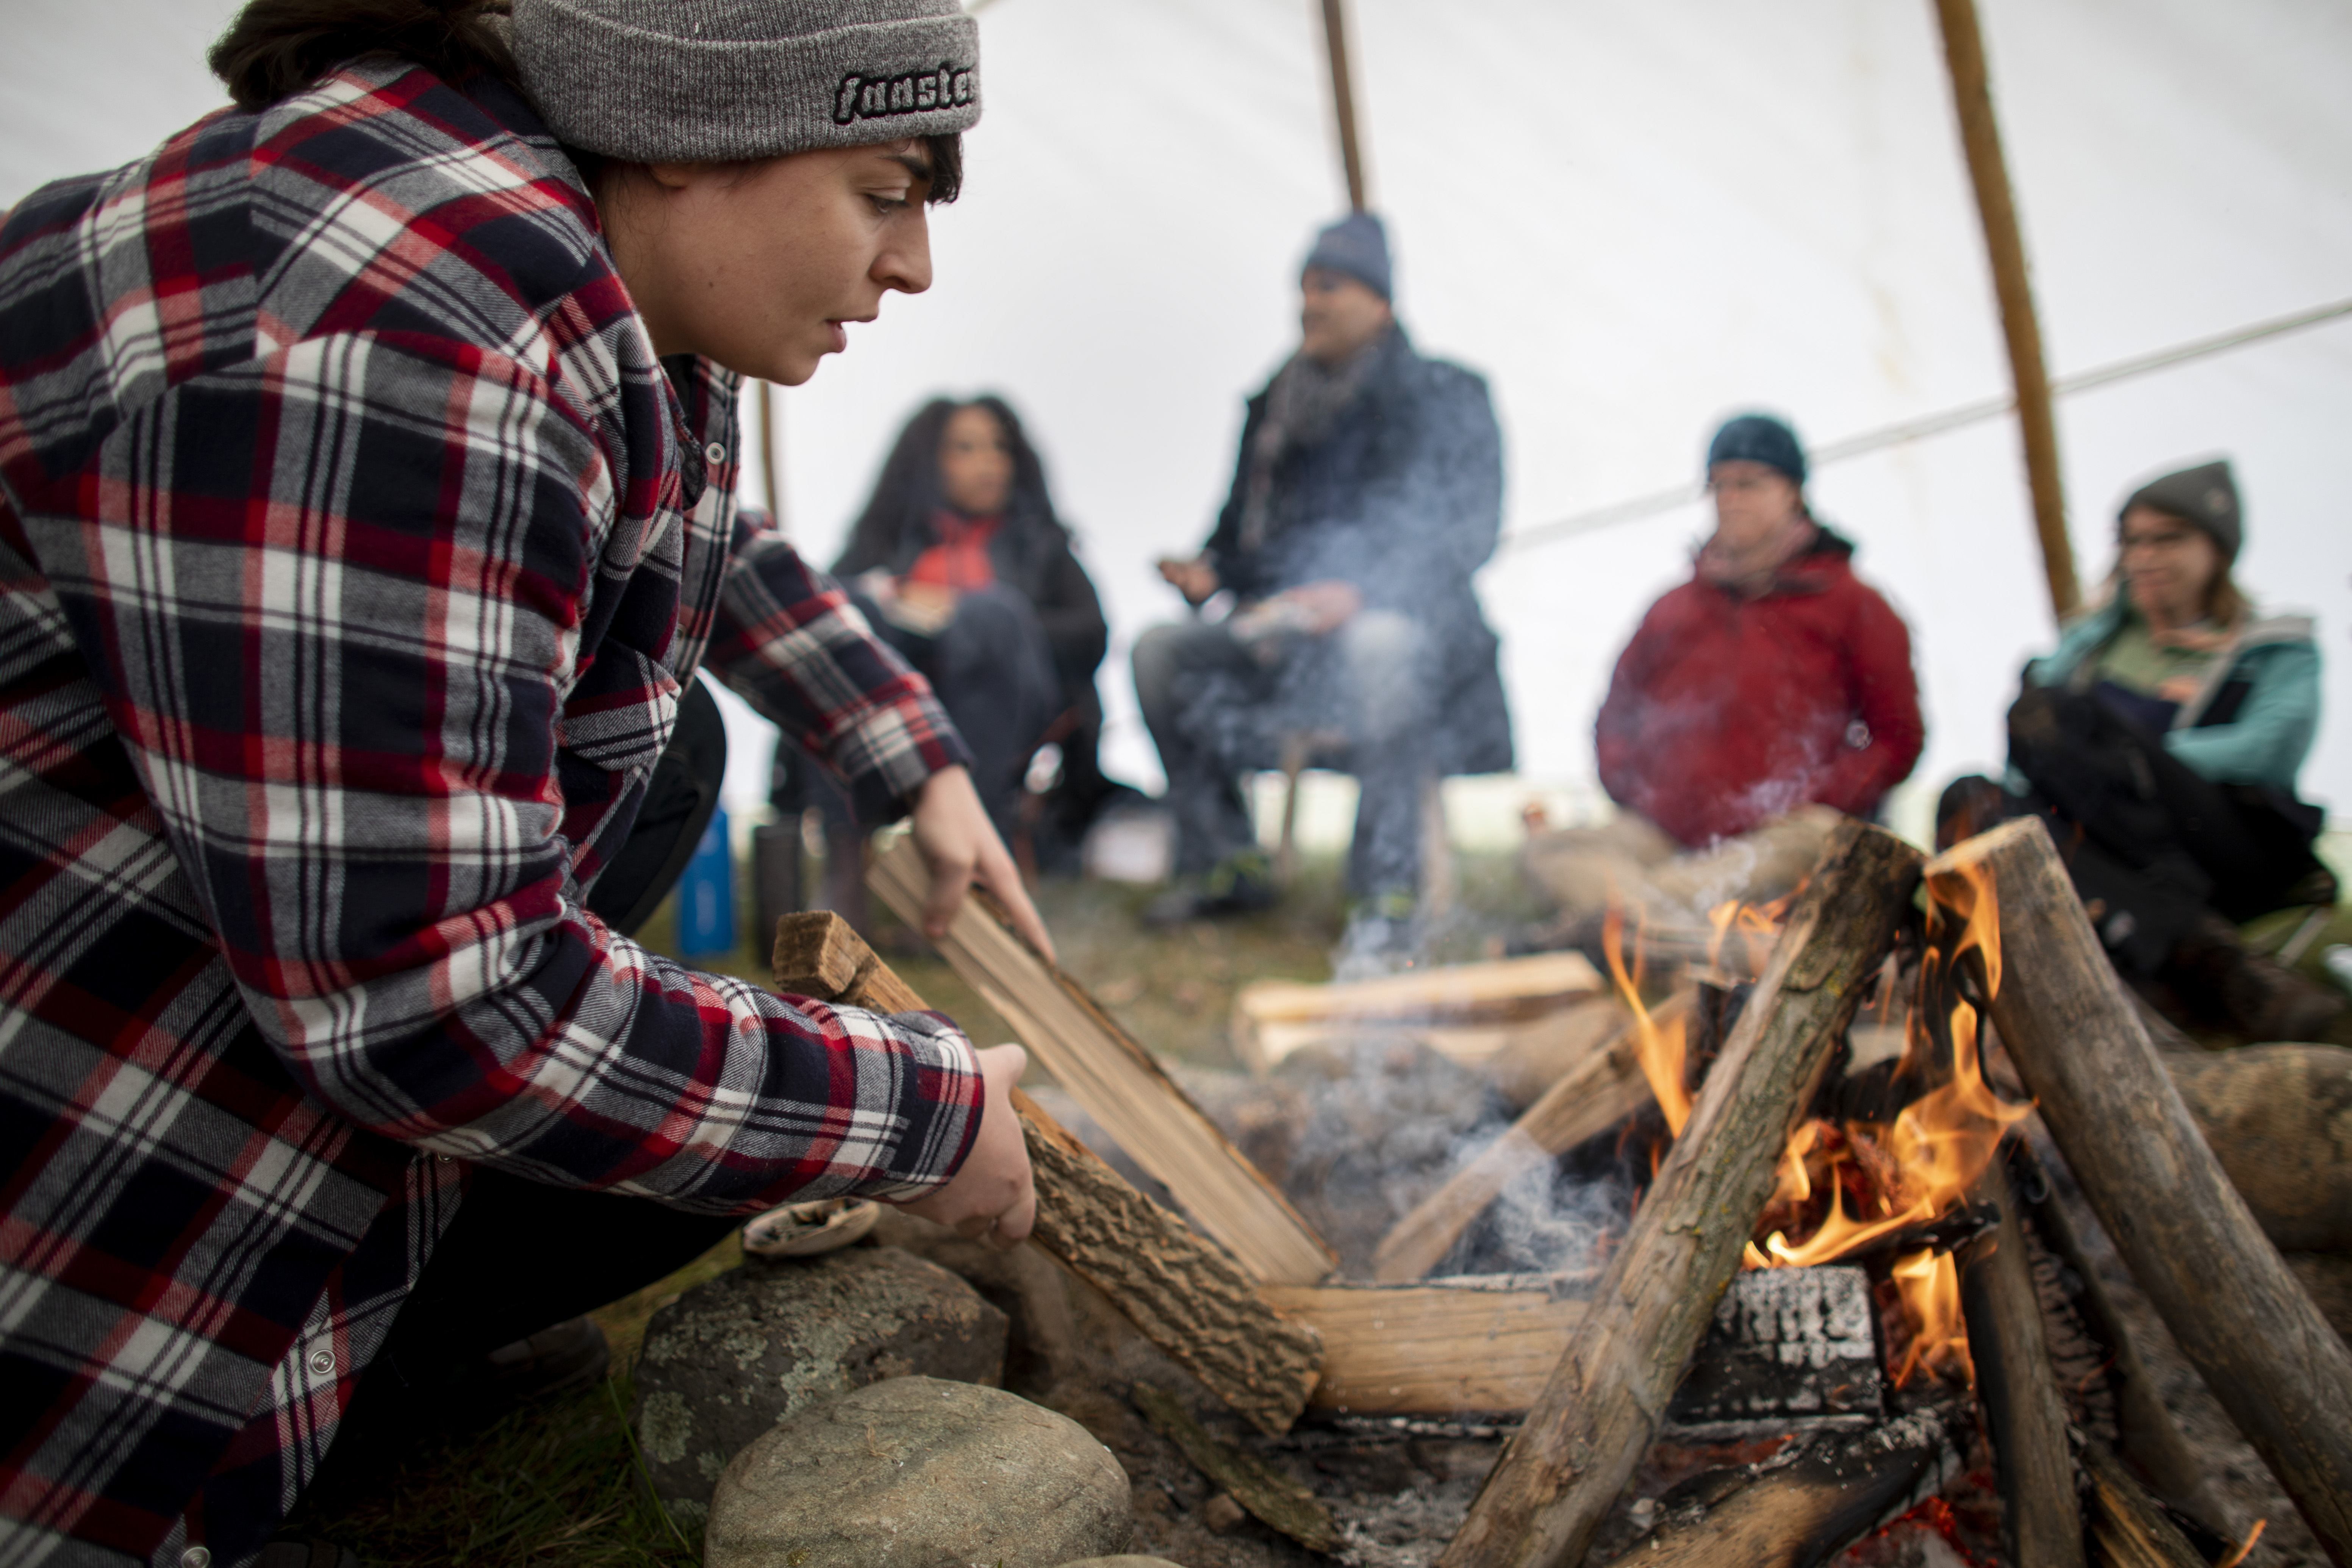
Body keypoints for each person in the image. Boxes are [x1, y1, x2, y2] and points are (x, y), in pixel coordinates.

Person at [0, 1, 1051, 1559]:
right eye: (886, 191)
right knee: (638, 994)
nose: (913, 266)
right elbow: (434, 1003)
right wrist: (914, 1101)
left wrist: (908, 750)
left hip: (253, 967)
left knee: (667, 741)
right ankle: (287, 1383)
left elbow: (691, 527)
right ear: (691, 128)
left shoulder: (563, 254)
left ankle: (385, 1338)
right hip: (76, 1212)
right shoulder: (415, 336)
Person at [1134, 212, 1510, 951]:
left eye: (1330, 285)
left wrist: (1362, 592)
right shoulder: (1274, 405)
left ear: (1380, 302)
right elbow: (1244, 537)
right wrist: (1210, 570)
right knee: (1159, 651)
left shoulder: (1443, 395)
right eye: (1304, 286)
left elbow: (1468, 531)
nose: (1310, 302)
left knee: (1379, 642)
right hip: (1286, 644)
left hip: (1407, 632)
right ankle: (1226, 861)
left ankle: (1384, 885)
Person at [1938, 459, 2339, 1042]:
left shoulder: (2274, 649)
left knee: (2064, 713)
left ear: (2217, 548)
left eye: (2168, 538)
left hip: (2221, 840)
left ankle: (2178, 952)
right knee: (1971, 799)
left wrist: (2141, 753)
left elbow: (2267, 752)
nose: (2146, 556)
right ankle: (2208, 961)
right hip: (2119, 857)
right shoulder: (2094, 642)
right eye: (2132, 541)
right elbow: (2031, 743)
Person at [1523, 413, 1924, 946]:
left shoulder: (1853, 606)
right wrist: (1640, 792)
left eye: (1751, 484)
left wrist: (1820, 796)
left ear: (1793, 493)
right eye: (1720, 485)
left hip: (1779, 836)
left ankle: (1632, 922)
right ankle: (1676, 927)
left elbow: (1897, 736)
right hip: (1668, 837)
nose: (1731, 499)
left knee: (1815, 846)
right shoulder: (1674, 609)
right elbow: (1614, 716)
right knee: (1548, 850)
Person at [819, 396, 1116, 855]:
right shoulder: (889, 539)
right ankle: (845, 856)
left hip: (1014, 700)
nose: (989, 463)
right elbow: (825, 608)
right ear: (929, 461)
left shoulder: (1042, 545)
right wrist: (902, 603)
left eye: (1000, 448)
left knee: (990, 616)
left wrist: (965, 619)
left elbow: (1091, 634)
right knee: (854, 609)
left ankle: (970, 842)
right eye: (966, 448)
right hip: (900, 702)